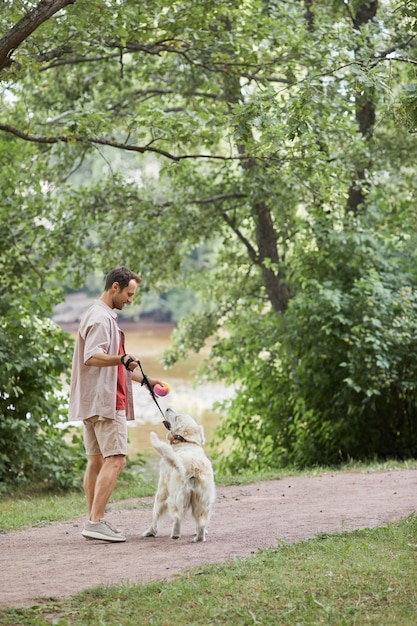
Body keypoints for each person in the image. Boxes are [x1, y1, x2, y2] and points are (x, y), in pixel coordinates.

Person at [68, 266, 163, 543]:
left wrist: (145, 380)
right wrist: (121, 359)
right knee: (117, 460)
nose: (130, 300)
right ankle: (95, 521)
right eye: (129, 294)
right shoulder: (100, 318)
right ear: (115, 288)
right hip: (106, 402)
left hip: (93, 401)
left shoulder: (98, 314)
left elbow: (114, 365)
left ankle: (92, 522)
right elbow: (93, 357)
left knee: (97, 461)